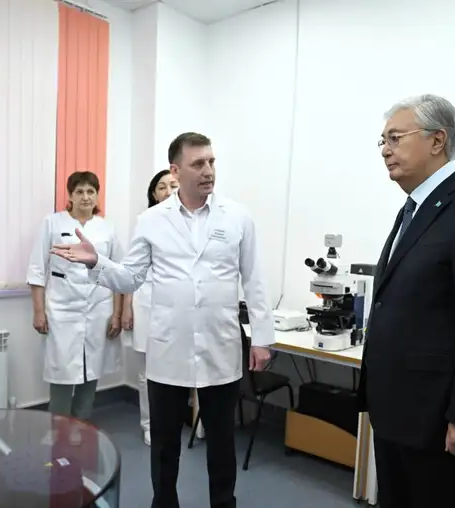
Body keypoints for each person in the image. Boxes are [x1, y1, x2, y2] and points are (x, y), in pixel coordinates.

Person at [52, 132, 274, 508]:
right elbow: (131, 277)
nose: (208, 171)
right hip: (169, 348)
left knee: (222, 442)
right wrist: (97, 263)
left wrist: (262, 338)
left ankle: (224, 503)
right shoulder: (152, 220)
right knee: (164, 444)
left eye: (211, 162)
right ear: (176, 170)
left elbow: (253, 279)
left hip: (220, 345)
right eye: (198, 164)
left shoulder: (237, 216)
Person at [357, 95, 455, 508]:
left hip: (438, 419)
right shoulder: (413, 209)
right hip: (396, 412)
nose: (385, 149)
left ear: (437, 140)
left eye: (395, 138)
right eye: (383, 141)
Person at [27, 170, 124, 420]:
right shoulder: (53, 223)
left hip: (99, 309)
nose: (85, 197)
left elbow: (117, 273)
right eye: (79, 191)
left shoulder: (107, 228)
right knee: (61, 372)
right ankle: (58, 429)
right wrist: (38, 311)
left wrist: (117, 314)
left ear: (97, 195)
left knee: (91, 370)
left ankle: (82, 426)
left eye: (90, 191)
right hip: (62, 309)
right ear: (70, 196)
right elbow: (37, 269)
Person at [120, 169, 179, 446]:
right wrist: (127, 307)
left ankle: (174, 423)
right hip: (145, 303)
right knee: (147, 373)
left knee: (175, 370)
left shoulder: (193, 224)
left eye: (173, 185)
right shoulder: (145, 221)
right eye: (162, 187)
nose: (168, 191)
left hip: (177, 307)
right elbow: (132, 270)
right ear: (154, 194)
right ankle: (149, 424)